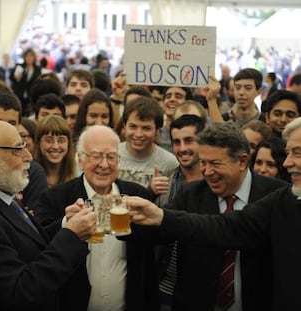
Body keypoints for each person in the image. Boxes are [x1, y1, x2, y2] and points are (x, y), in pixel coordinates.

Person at [128, 116, 301, 311]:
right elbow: (158, 232)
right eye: (203, 162)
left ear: (243, 161)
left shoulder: (279, 197)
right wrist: (127, 221)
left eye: (216, 163)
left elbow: (229, 227)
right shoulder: (190, 194)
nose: (208, 172)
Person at [0, 120, 96, 311]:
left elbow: (27, 244)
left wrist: (66, 225)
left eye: (25, 147)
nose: (29, 157)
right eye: (17, 150)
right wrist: (71, 237)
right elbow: (20, 291)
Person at [35, 125, 159, 311]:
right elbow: (39, 246)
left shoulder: (137, 197)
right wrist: (66, 225)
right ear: (80, 160)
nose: (104, 164)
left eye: (111, 157)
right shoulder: (56, 198)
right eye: (96, 156)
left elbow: (150, 263)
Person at [156, 114, 206, 311]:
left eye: (189, 140)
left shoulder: (216, 182)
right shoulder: (165, 181)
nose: (182, 148)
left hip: (203, 286)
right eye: (176, 142)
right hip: (165, 284)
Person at [118, 96, 178, 197]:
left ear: (157, 131)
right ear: (124, 127)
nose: (138, 134)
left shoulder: (170, 163)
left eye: (146, 128)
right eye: (133, 127)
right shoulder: (111, 154)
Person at [34, 115, 76, 187]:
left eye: (61, 140)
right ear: (38, 143)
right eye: (48, 140)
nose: (55, 146)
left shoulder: (79, 176)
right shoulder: (28, 177)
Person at [158, 86, 194, 151]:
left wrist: (212, 100)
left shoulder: (197, 134)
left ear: (188, 104)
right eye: (168, 96)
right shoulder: (155, 134)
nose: (172, 99)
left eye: (178, 97)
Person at [10, 48, 42, 116]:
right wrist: (16, 77)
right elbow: (11, 78)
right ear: (24, 57)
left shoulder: (37, 69)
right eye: (27, 56)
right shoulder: (19, 66)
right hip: (19, 93)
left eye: (31, 56)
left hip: (31, 95)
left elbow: (38, 81)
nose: (29, 58)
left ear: (34, 57)